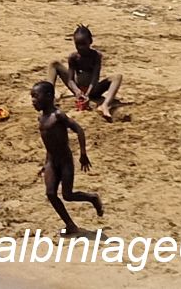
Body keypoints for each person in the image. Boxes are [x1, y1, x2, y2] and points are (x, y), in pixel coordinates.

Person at [32, 81, 102, 235]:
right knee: (51, 194)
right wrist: (45, 164)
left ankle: (92, 198)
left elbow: (79, 130)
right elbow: (49, 145)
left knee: (68, 195)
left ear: (49, 96)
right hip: (51, 162)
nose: (33, 101)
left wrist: (83, 154)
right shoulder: (41, 118)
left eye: (36, 96)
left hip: (65, 162)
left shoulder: (58, 116)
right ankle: (70, 225)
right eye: (32, 97)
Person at [52, 25, 123, 122]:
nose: (81, 48)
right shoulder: (73, 57)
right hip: (78, 88)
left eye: (83, 44)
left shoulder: (96, 56)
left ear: (90, 42)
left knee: (117, 77)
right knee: (54, 64)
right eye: (77, 44)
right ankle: (49, 94)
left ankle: (105, 105)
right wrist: (77, 91)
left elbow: (95, 77)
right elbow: (70, 80)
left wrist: (88, 93)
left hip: (93, 89)